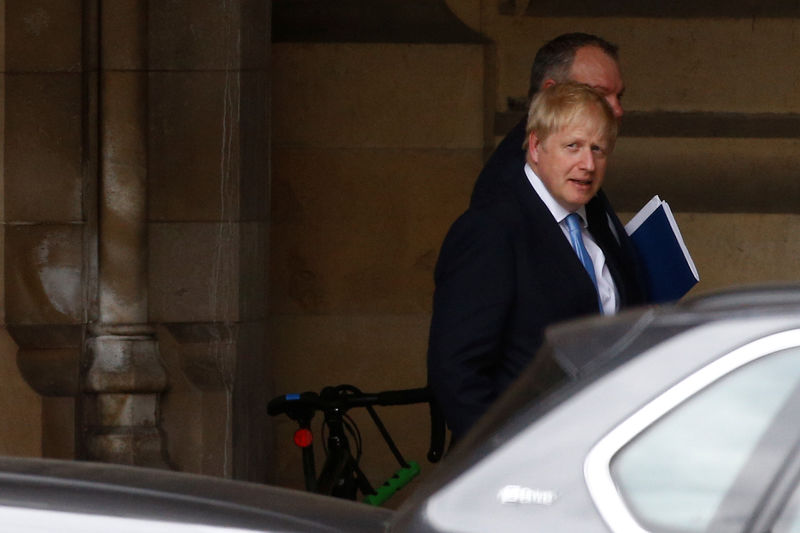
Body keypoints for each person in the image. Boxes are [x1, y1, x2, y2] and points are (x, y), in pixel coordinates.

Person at [427, 82, 648, 442]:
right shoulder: (492, 229)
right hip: (522, 461)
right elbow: (456, 370)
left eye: (599, 150)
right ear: (535, 147)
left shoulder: (595, 228)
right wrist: (501, 457)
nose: (588, 164)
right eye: (572, 146)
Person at [471, 32, 625, 207]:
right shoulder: (506, 186)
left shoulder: (581, 171)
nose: (617, 110)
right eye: (598, 95)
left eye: (619, 96)